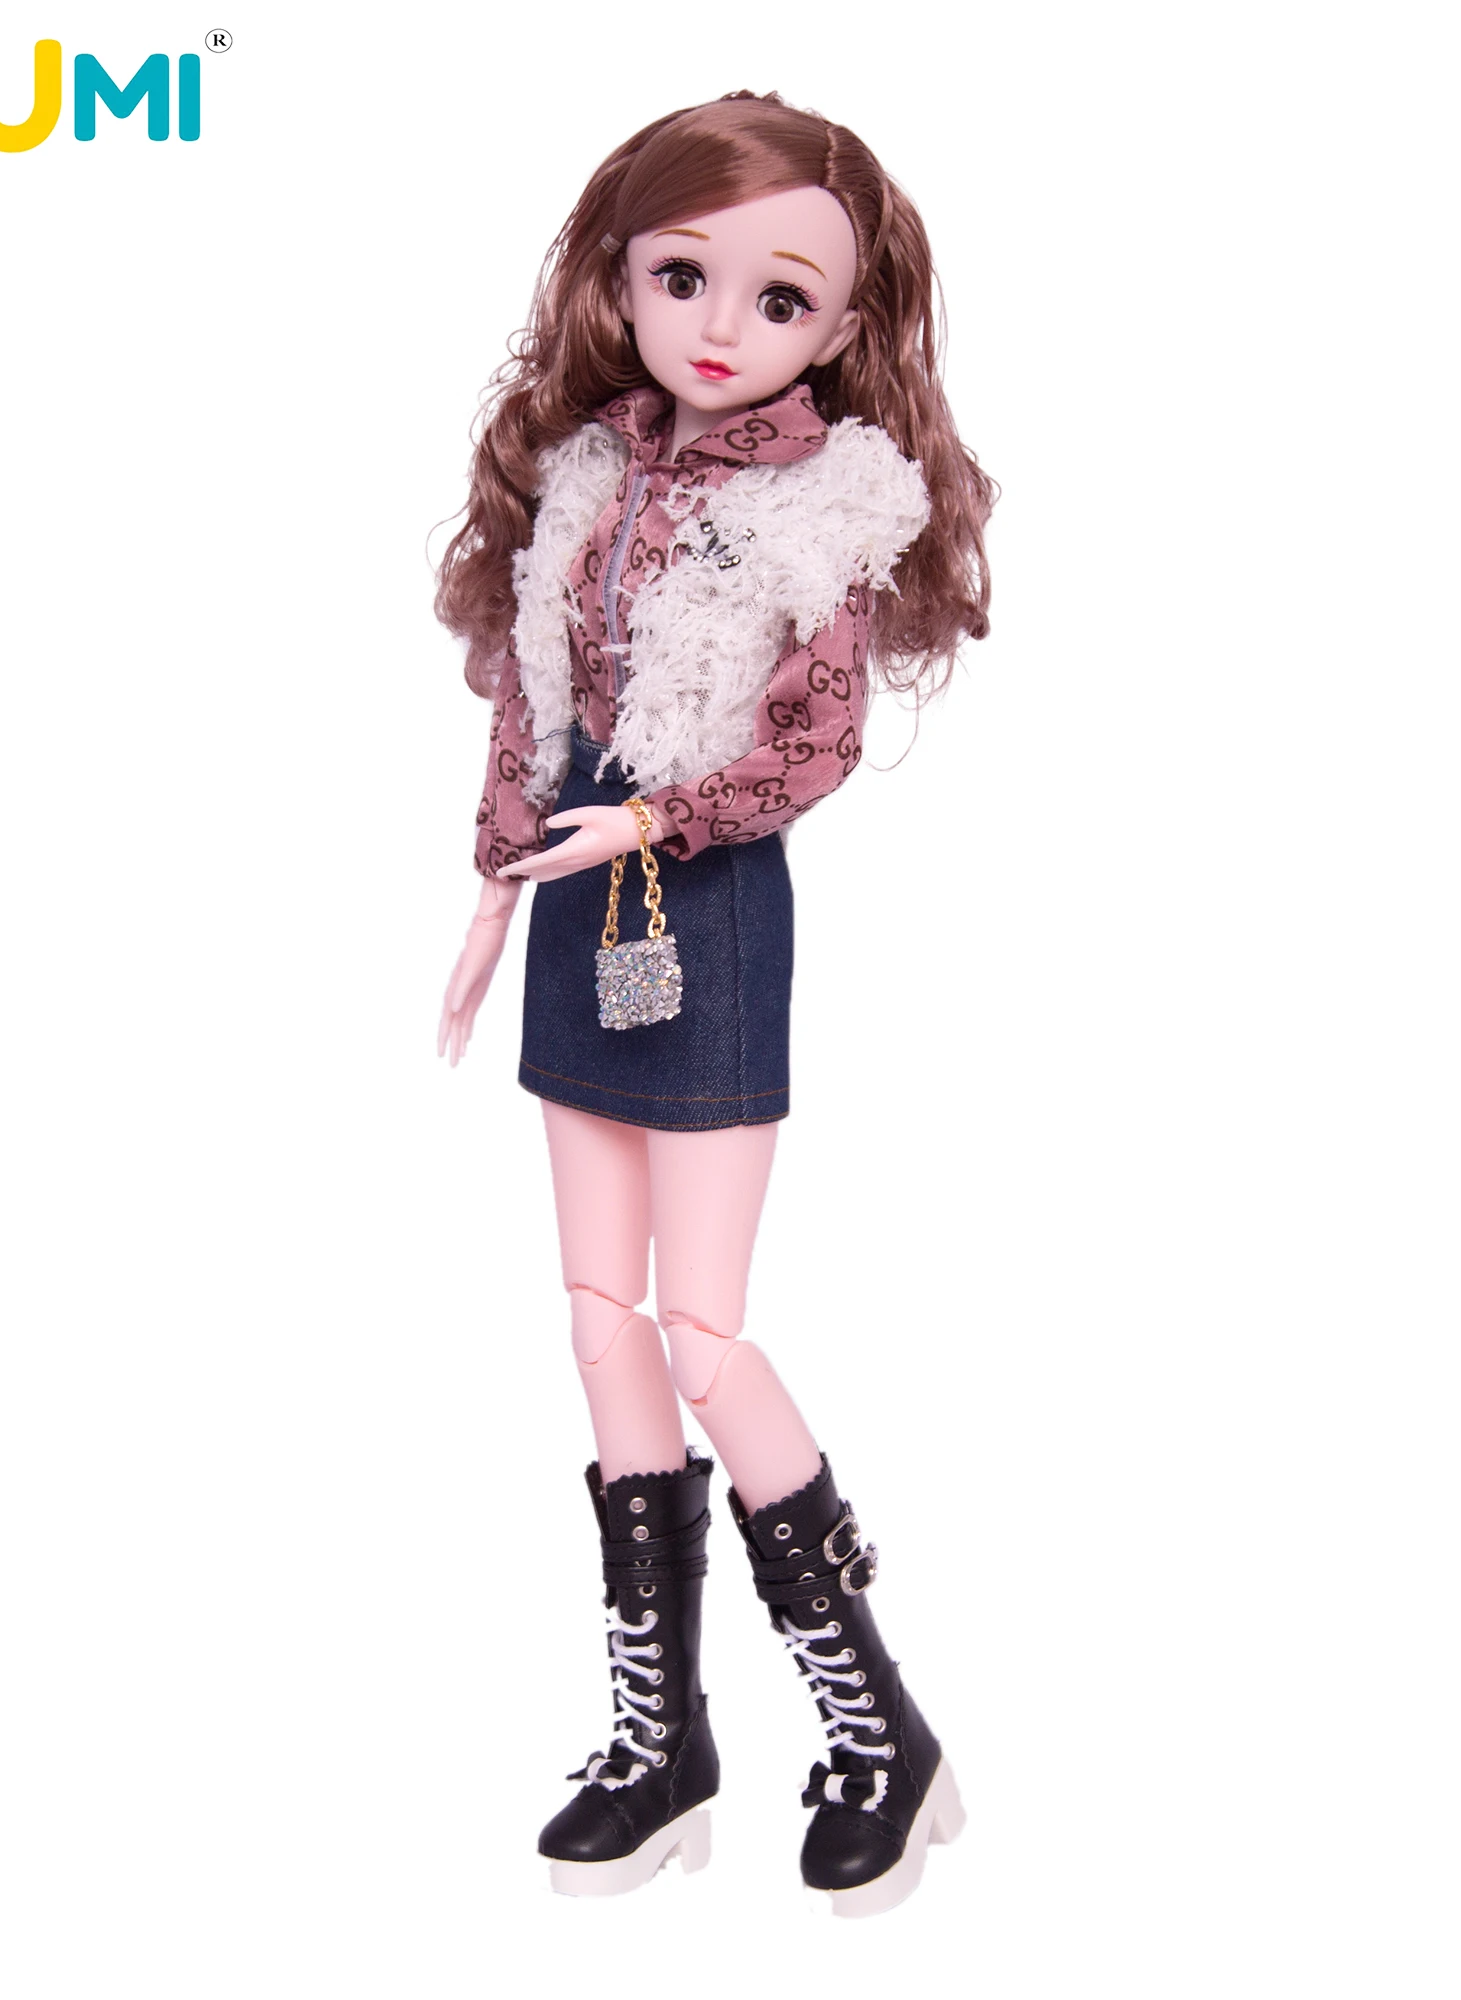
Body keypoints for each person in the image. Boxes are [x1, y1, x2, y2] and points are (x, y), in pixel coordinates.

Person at [433, 90, 994, 1917]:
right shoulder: (589, 471)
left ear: (843, 325)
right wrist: (494, 881)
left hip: (707, 903)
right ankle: (658, 1734)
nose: (722, 325)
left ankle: (879, 1721)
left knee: (703, 1332)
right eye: (684, 276)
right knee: (597, 1320)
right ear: (620, 276)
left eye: (780, 297)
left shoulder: (835, 498)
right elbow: (533, 695)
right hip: (572, 906)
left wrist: (659, 818)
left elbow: (813, 743)